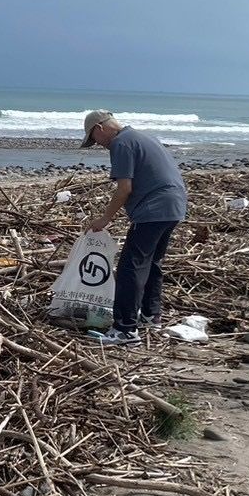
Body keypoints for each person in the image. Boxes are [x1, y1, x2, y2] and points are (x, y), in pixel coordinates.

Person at [80, 110, 188, 345]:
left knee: (131, 267)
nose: (98, 145)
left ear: (100, 128)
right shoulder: (142, 137)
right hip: (174, 205)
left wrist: (104, 219)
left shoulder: (121, 143)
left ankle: (125, 329)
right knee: (152, 262)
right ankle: (150, 315)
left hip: (154, 208)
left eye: (94, 139)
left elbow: (124, 189)